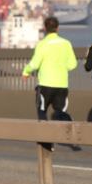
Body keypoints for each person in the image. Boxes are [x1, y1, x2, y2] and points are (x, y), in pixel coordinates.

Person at [23, 16, 77, 151]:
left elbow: (35, 64)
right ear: (58, 28)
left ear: (45, 28)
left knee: (42, 111)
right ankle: (70, 130)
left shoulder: (42, 44)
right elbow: (73, 64)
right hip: (62, 85)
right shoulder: (66, 43)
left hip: (46, 84)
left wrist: (26, 72)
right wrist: (61, 68)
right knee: (60, 112)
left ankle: (48, 143)